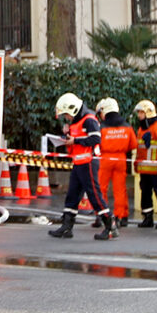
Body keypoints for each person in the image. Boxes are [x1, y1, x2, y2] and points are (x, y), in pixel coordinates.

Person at [48, 93, 115, 240]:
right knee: (72, 195)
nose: (66, 118)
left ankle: (110, 226)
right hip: (79, 163)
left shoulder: (89, 120)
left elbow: (96, 138)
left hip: (88, 162)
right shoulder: (76, 122)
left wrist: (75, 140)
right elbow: (77, 142)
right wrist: (67, 136)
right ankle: (67, 227)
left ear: (72, 109)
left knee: (94, 195)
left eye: (66, 114)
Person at [95, 98, 136, 232]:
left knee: (101, 188)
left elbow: (96, 144)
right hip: (121, 159)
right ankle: (121, 216)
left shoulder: (101, 127)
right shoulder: (127, 126)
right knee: (120, 189)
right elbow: (133, 145)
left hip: (105, 158)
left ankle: (102, 215)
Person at [133, 100, 157, 228]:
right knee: (145, 193)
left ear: (148, 113)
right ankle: (147, 218)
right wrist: (136, 163)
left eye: (141, 113)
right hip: (144, 169)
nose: (139, 115)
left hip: (156, 169)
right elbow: (140, 148)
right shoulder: (141, 129)